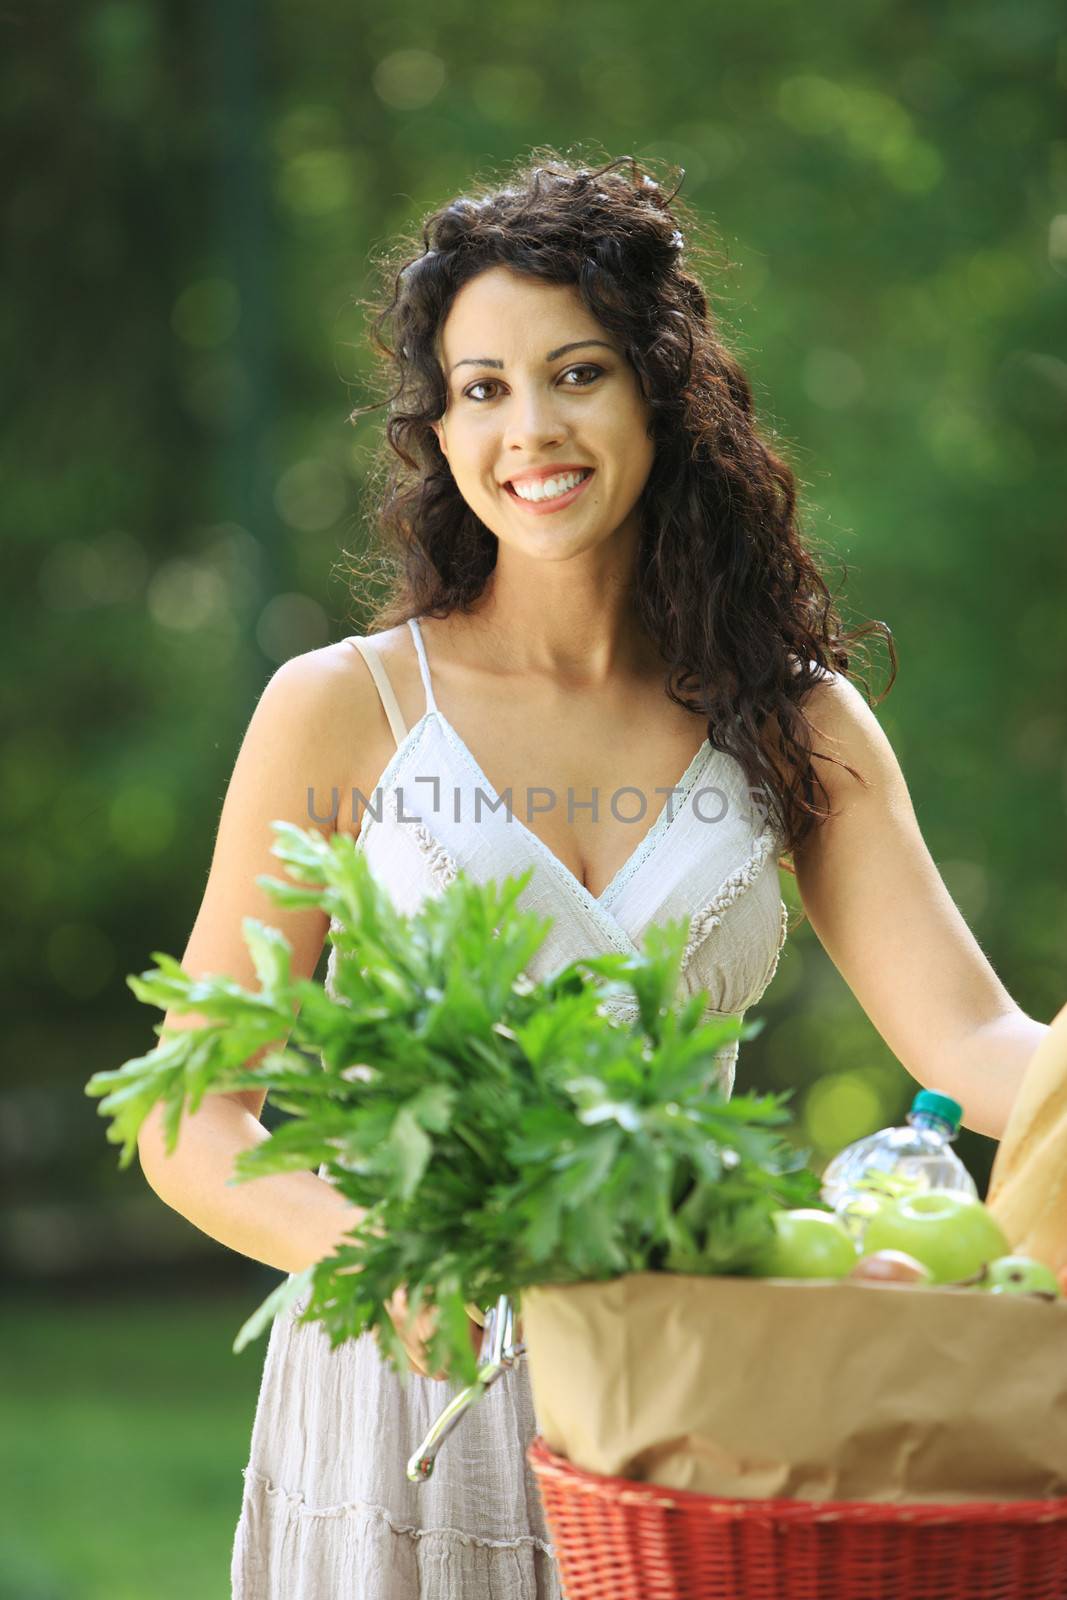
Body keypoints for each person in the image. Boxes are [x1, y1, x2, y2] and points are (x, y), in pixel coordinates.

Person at [135, 152, 1049, 1599]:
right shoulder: (344, 705)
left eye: (576, 374)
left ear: (658, 396)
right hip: (396, 1380)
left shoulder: (797, 720)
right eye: (481, 388)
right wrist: (378, 1247)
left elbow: (975, 1044)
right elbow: (194, 1111)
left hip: (682, 1371)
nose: (529, 428)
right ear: (437, 426)